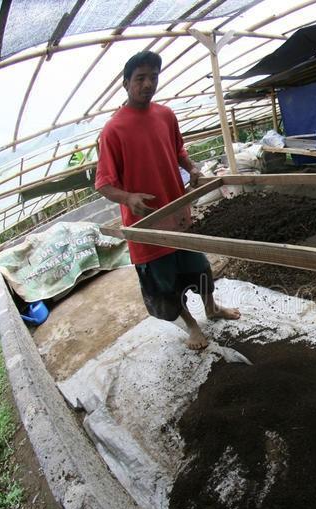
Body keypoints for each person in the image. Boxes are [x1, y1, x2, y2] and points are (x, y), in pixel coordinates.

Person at [95, 51, 240, 350]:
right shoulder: (113, 130)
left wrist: (193, 168)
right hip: (147, 224)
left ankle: (211, 308)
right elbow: (104, 184)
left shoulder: (166, 114)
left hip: (178, 215)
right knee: (166, 283)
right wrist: (128, 197)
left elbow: (178, 151)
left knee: (199, 268)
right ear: (125, 83)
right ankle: (191, 326)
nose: (148, 84)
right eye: (140, 78)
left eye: (153, 77)